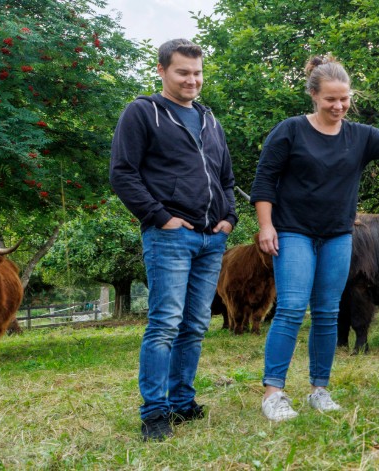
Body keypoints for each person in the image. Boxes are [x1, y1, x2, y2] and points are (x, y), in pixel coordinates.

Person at [250, 54, 379, 422]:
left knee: (329, 312)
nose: (339, 106)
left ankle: (320, 389)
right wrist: (266, 226)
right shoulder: (290, 131)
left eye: (344, 98)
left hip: (338, 236)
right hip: (294, 233)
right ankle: (274, 393)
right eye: (331, 99)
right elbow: (264, 181)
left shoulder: (359, 136)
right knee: (290, 309)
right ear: (314, 95)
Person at [110, 38, 237, 441]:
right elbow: (122, 173)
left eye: (197, 73)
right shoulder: (143, 112)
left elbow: (226, 178)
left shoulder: (209, 118)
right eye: (183, 72)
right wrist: (161, 217)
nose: (192, 80)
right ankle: (155, 412)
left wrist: (229, 217)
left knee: (196, 324)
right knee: (165, 323)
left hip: (211, 240)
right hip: (170, 238)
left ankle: (183, 401)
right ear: (162, 70)